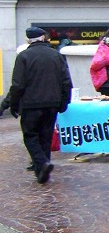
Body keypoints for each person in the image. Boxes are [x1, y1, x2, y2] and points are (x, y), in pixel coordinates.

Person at [0, 26, 72, 184]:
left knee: (30, 136)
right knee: (45, 136)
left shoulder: (24, 56)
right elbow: (66, 81)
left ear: (28, 40)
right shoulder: (56, 55)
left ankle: (42, 163)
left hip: (31, 104)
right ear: (44, 38)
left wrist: (13, 105)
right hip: (52, 103)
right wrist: (64, 101)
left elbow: (17, 85)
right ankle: (42, 172)